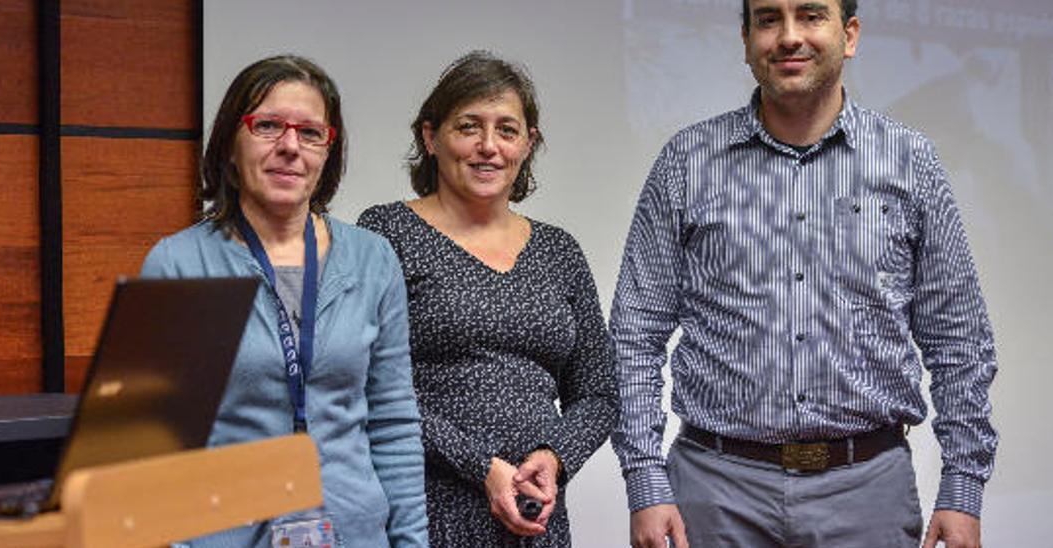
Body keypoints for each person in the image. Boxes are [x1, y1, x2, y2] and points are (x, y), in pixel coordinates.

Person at [610, 1, 999, 548]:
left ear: (851, 34)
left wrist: (963, 487)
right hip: (714, 496)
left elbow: (958, 338)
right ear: (746, 39)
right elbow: (634, 336)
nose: (789, 36)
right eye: (769, 19)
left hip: (867, 495)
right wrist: (646, 483)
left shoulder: (911, 163)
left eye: (811, 15)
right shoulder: (686, 162)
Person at [140, 55, 427, 548]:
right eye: (268, 125)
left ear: (327, 151)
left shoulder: (373, 260)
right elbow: (154, 447)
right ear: (231, 143)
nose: (290, 147)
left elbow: (393, 422)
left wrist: (410, 542)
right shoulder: (178, 263)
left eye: (311, 132)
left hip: (353, 535)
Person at [358, 51, 618, 547]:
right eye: (469, 127)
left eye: (507, 130)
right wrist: (480, 467)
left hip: (535, 517)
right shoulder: (385, 232)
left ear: (529, 143)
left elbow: (600, 392)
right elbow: (369, 381)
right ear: (430, 137)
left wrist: (554, 457)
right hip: (424, 509)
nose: (488, 147)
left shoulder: (559, 250)